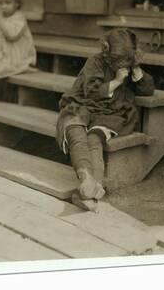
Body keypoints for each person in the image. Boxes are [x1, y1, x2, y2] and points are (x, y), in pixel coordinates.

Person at [56, 29, 155, 211]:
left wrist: (137, 71)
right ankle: (86, 176)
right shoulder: (95, 62)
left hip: (111, 112)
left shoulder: (129, 64)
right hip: (84, 103)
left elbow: (148, 90)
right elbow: (91, 92)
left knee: (94, 139)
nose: (123, 64)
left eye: (128, 60)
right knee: (74, 128)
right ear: (107, 53)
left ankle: (94, 187)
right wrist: (117, 81)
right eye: (119, 61)